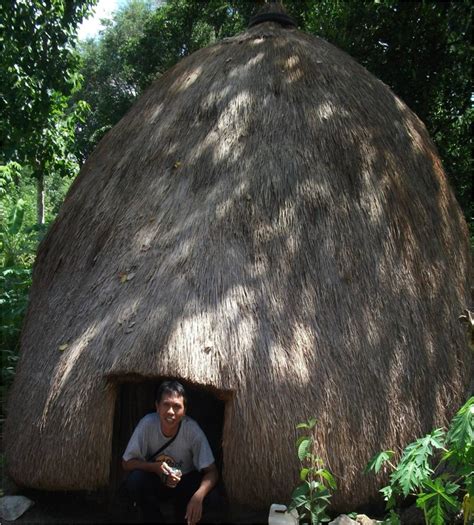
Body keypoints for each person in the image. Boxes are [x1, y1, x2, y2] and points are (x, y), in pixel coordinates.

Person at [122, 380, 219, 524]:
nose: (170, 412)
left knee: (211, 496)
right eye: (166, 405)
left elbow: (212, 472)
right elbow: (126, 463)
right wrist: (154, 467)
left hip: (184, 485)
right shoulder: (147, 425)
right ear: (157, 407)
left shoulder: (192, 431)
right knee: (135, 480)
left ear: (184, 411)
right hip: (157, 483)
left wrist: (198, 497)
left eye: (177, 406)